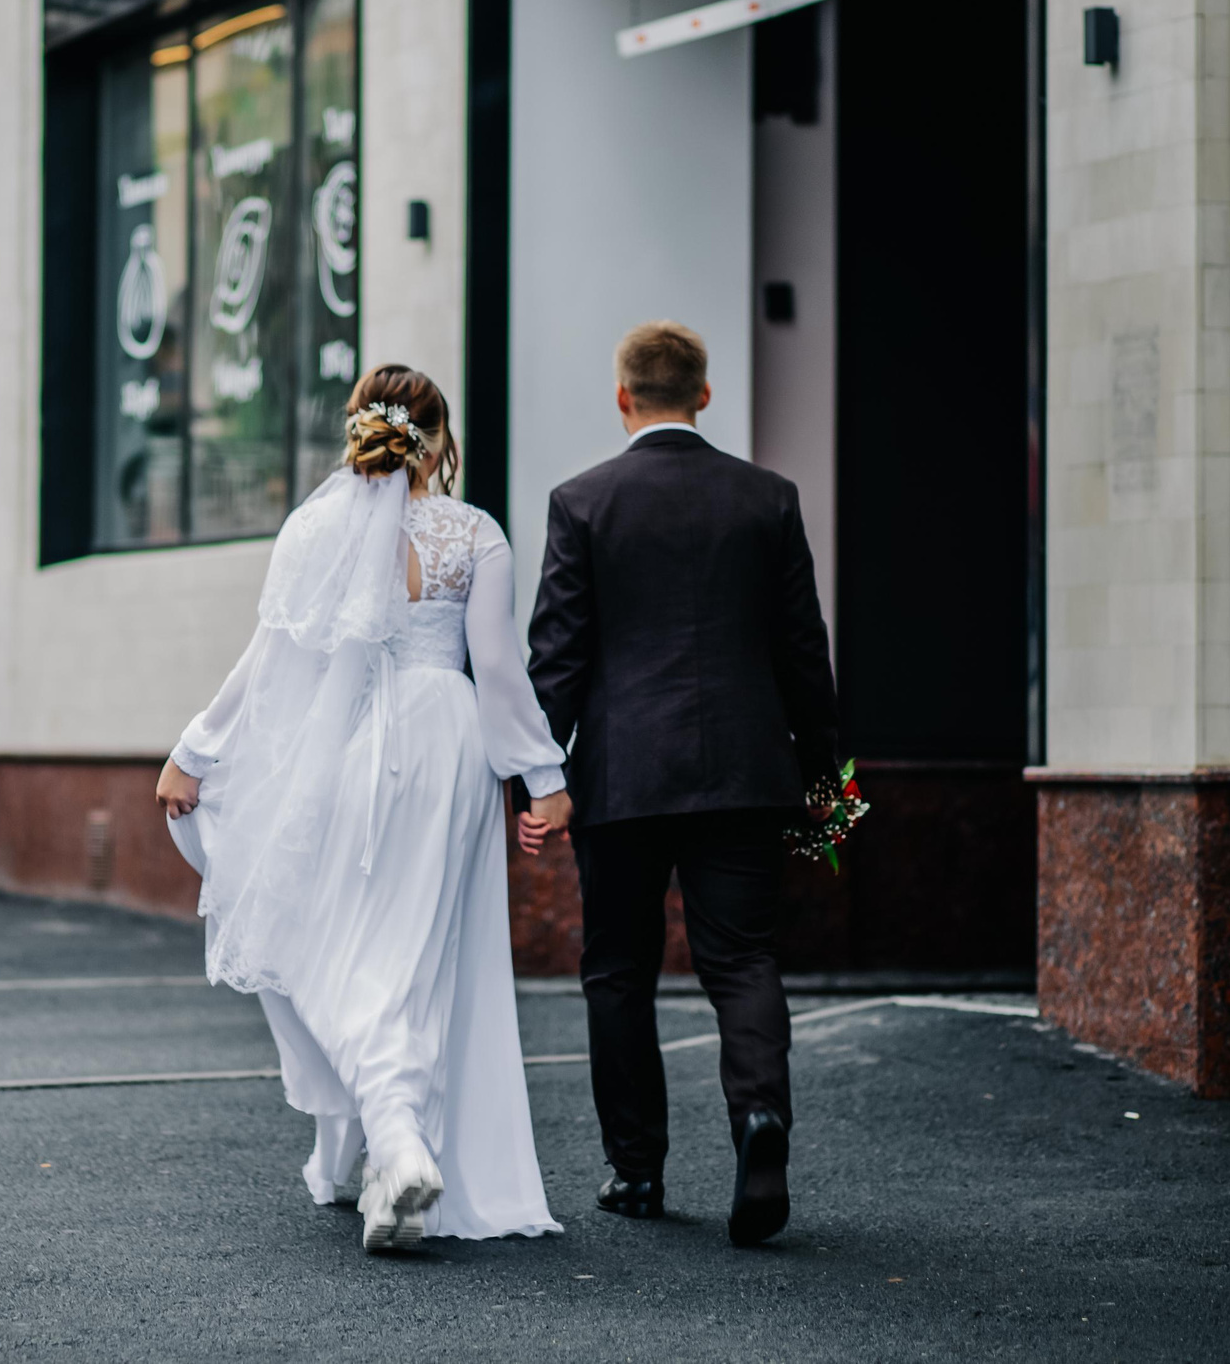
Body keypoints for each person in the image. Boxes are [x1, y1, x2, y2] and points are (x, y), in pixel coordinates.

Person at [156, 365, 565, 1254]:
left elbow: (269, 660)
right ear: (439, 438)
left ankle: (397, 1138)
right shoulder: (474, 533)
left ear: (360, 430)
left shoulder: (316, 528)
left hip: (353, 751)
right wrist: (544, 776)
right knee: (420, 954)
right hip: (450, 742)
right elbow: (496, 668)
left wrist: (195, 748)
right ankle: (384, 1154)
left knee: (334, 943)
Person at [521, 320, 841, 1248]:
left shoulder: (582, 502)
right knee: (742, 958)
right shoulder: (766, 499)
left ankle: (636, 1169)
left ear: (623, 398)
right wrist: (825, 774)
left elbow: (558, 659)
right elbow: (801, 650)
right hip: (746, 772)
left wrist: (538, 778)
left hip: (622, 778)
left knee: (618, 970)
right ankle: (758, 1119)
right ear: (706, 394)